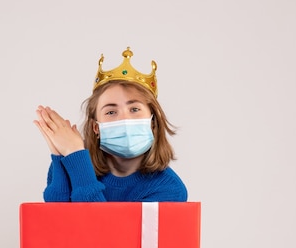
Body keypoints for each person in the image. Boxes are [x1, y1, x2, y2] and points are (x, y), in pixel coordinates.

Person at [33, 47, 187, 202]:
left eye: (134, 109)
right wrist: (60, 157)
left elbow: (103, 226)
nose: (124, 119)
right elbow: (57, 218)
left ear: (153, 122)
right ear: (96, 127)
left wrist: (75, 154)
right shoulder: (74, 161)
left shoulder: (169, 189)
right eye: (111, 112)